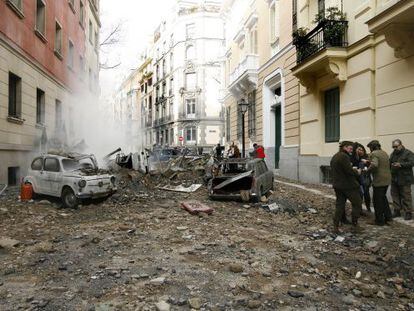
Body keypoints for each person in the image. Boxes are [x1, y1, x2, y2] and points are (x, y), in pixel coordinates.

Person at [330, 141, 362, 233]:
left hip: (338, 185)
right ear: (344, 147)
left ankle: (336, 226)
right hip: (348, 186)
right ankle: (355, 224)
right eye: (350, 148)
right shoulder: (344, 156)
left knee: (340, 205)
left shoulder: (335, 156)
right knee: (357, 203)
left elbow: (339, 170)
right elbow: (349, 171)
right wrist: (357, 172)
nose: (351, 150)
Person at [367, 140, 392, 225]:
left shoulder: (374, 153)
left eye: (370, 147)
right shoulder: (384, 152)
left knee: (377, 201)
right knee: (383, 198)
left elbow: (374, 164)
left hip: (379, 180)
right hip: (387, 179)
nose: (370, 149)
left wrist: (367, 170)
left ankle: (379, 221)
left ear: (372, 147)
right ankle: (388, 217)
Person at [389, 139, 414, 220]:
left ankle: (408, 212)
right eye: (393, 147)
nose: (394, 148)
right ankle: (397, 210)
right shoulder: (393, 153)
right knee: (395, 194)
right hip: (394, 177)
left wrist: (401, 164)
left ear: (401, 145)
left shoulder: (408, 153)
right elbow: (390, 162)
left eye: (396, 146)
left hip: (405, 178)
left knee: (406, 195)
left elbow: (412, 162)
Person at [351, 143, 372, 213]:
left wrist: (367, 162)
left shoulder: (367, 157)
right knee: (360, 194)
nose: (360, 151)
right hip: (358, 178)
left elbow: (371, 165)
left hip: (365, 178)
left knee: (366, 193)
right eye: (359, 149)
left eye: (362, 150)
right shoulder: (355, 157)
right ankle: (359, 209)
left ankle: (368, 207)